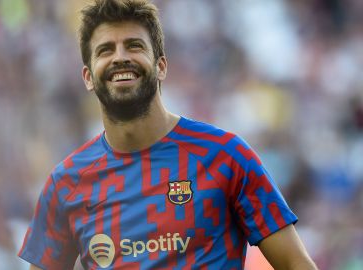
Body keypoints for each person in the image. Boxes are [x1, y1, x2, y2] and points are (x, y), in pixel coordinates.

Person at [18, 0, 318, 269]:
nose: (120, 57)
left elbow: (296, 264)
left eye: (134, 45)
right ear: (88, 77)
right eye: (105, 50)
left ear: (161, 66)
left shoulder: (225, 156)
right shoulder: (67, 183)